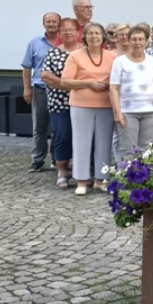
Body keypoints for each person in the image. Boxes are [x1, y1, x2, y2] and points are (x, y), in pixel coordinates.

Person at [61, 22, 117, 196]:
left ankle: (101, 180)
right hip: (81, 104)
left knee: (104, 142)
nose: (94, 37)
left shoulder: (112, 57)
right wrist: (88, 83)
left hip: (106, 104)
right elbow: (65, 82)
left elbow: (117, 79)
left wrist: (106, 84)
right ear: (84, 37)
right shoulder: (75, 56)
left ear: (103, 37)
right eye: (90, 33)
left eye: (98, 33)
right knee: (81, 142)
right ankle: (81, 180)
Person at [110, 25, 153, 161]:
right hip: (128, 111)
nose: (137, 42)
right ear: (129, 41)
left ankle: (141, 181)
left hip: (151, 111)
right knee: (127, 150)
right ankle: (125, 181)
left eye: (141, 39)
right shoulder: (120, 62)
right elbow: (114, 88)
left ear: (147, 41)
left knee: (145, 150)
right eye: (134, 39)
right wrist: (117, 112)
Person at [40, 17, 80, 188]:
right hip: (59, 103)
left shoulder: (84, 52)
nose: (68, 32)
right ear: (60, 33)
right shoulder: (53, 52)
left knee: (82, 138)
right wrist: (68, 86)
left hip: (82, 103)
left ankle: (81, 171)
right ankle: (62, 170)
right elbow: (45, 76)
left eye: (71, 29)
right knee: (62, 136)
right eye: (64, 30)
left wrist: (74, 87)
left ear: (78, 32)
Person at [21, 11, 60, 172]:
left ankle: (57, 160)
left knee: (59, 127)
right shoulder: (34, 43)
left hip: (60, 91)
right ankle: (37, 160)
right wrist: (27, 89)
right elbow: (26, 67)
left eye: (54, 22)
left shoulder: (64, 43)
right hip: (40, 90)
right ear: (43, 24)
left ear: (59, 24)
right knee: (39, 127)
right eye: (48, 22)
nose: (51, 24)